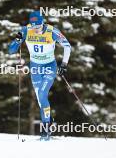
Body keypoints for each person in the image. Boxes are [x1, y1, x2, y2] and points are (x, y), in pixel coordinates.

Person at [8, 11, 72, 141]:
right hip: (35, 67)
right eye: (33, 26)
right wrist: (17, 40)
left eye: (38, 26)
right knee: (40, 99)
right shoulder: (26, 30)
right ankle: (49, 121)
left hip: (50, 66)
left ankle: (46, 131)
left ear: (42, 22)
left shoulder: (52, 31)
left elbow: (67, 46)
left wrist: (64, 64)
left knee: (43, 94)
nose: (36, 30)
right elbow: (11, 50)